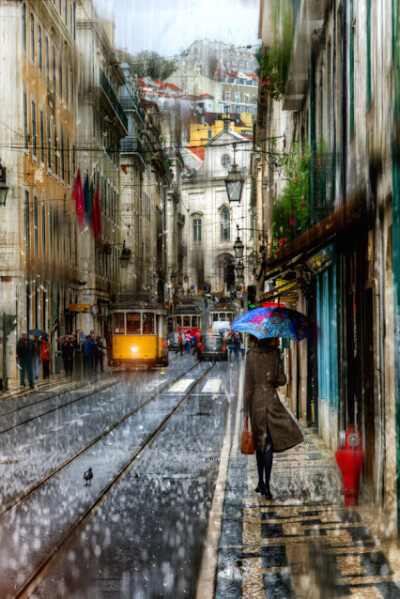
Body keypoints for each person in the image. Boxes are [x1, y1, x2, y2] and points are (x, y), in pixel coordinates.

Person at [244, 335, 303, 500]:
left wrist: (246, 409)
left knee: (259, 442)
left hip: (255, 403)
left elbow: (248, 384)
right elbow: (282, 380)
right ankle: (268, 486)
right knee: (268, 443)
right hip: (271, 400)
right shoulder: (275, 353)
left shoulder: (250, 355)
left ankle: (260, 482)